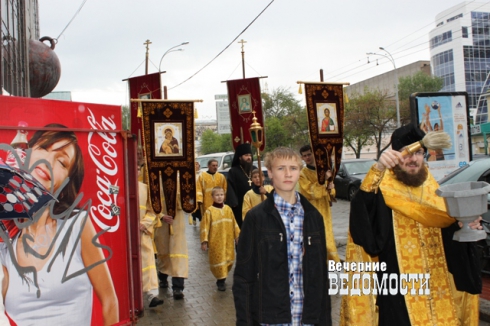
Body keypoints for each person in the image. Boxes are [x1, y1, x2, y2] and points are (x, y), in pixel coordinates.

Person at [340, 124, 481, 325]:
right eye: (406, 153)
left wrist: (464, 225)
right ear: (395, 156)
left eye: (419, 153)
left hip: (437, 287)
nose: (412, 159)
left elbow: (449, 234)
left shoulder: (435, 191)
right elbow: (363, 229)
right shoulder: (382, 191)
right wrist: (378, 168)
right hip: (399, 293)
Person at [0, 124, 119, 325]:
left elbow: (109, 302)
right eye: (44, 148)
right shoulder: (6, 244)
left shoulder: (77, 226)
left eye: (62, 162)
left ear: (64, 188)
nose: (48, 162)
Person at [233, 147, 331, 325]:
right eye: (281, 168)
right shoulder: (256, 218)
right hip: (272, 318)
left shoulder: (313, 217)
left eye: (293, 168)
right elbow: (243, 277)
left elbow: (321, 277)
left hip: (307, 318)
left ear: (299, 171)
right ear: (269, 172)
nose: (288, 174)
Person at [298, 144, 340, 263]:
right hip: (311, 209)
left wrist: (330, 187)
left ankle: (330, 263)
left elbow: (332, 192)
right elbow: (309, 191)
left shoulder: (324, 169)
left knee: (327, 236)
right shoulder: (303, 174)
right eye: (304, 156)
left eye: (309, 154)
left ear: (314, 154)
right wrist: (324, 184)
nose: (307, 157)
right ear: (302, 158)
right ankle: (318, 263)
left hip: (325, 208)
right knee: (316, 236)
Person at [154, 176, 188, 300]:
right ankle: (162, 276)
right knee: (164, 251)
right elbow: (150, 201)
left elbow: (188, 201)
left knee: (178, 253)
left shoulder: (181, 177)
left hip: (177, 222)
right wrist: (161, 215)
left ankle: (178, 287)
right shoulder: (155, 177)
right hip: (161, 223)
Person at [200, 187, 240, 291]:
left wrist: (237, 236)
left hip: (228, 240)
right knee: (219, 260)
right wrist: (204, 241)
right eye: (217, 195)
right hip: (215, 241)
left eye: (221, 195)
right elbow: (205, 227)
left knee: (228, 260)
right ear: (212, 197)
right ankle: (220, 281)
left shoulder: (228, 209)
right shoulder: (209, 211)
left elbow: (234, 223)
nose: (219, 197)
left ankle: (224, 277)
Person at [138, 164, 164, 308]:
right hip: (125, 236)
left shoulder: (145, 188)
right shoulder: (115, 187)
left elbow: (153, 210)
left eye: (137, 168)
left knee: (148, 262)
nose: (134, 171)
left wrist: (145, 223)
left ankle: (151, 295)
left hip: (142, 233)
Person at [225, 143, 256, 228]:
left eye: (250, 155)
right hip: (240, 206)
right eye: (246, 155)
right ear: (240, 157)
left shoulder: (254, 169)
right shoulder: (233, 171)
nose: (249, 157)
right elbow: (230, 187)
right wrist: (233, 203)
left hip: (254, 203)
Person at [196, 159, 227, 225]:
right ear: (208, 166)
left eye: (216, 165)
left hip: (219, 202)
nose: (215, 167)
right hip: (206, 202)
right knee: (208, 220)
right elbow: (199, 189)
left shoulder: (221, 177)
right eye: (213, 165)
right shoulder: (202, 176)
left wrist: (224, 199)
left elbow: (225, 189)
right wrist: (199, 200)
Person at [191, 161, 202, 226]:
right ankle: (193, 218)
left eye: (197, 164)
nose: (195, 166)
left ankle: (200, 219)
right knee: (192, 205)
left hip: (199, 193)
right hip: (192, 193)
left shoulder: (202, 173)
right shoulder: (190, 174)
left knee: (200, 207)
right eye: (194, 164)